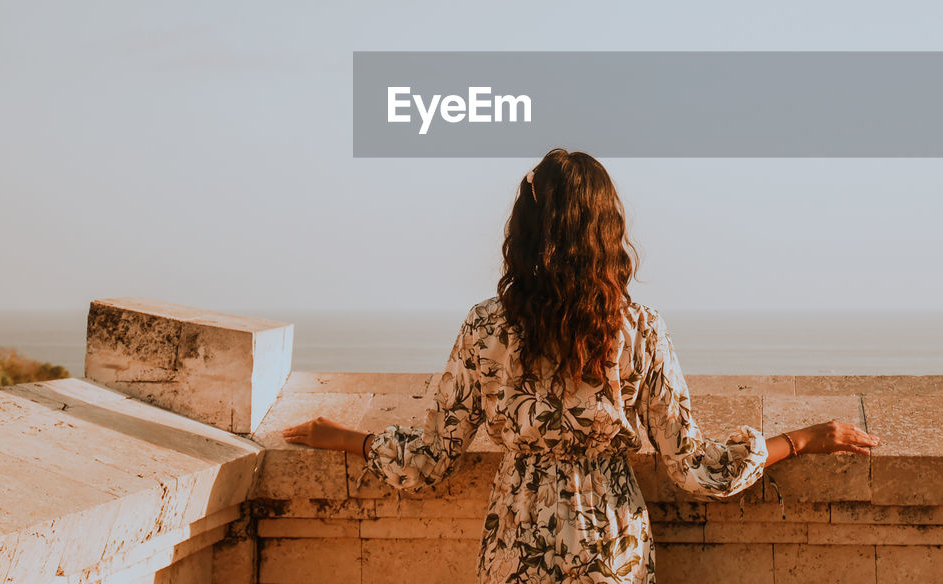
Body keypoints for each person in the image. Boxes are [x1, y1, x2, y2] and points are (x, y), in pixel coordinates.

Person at [283, 148, 879, 583]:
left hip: (517, 551)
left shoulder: (488, 327)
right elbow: (699, 469)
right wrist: (805, 440)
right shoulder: (639, 328)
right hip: (610, 551)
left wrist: (344, 438)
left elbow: (429, 462)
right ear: (606, 232)